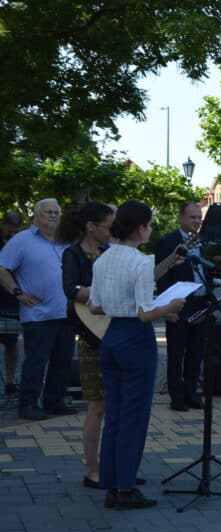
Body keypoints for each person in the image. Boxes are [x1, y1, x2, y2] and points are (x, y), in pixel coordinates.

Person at [90, 201, 185, 509]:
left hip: (111, 335)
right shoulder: (142, 262)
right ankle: (126, 488)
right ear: (141, 227)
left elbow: (95, 306)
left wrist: (135, 306)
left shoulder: (103, 259)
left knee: (115, 414)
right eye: (150, 225)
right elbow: (145, 313)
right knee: (135, 416)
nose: (151, 230)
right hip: (136, 339)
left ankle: (111, 484)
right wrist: (170, 307)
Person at [0, 199, 76, 421]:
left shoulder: (65, 240)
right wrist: (17, 292)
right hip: (38, 314)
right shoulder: (22, 240)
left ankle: (54, 401)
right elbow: (2, 268)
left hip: (66, 311)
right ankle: (28, 404)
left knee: (62, 361)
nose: (53, 216)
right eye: (48, 212)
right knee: (36, 362)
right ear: (36, 215)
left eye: (57, 212)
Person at [58, 202, 115, 488]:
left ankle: (117, 468)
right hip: (91, 335)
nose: (113, 231)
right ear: (91, 226)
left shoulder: (109, 252)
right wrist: (101, 294)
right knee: (98, 406)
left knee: (116, 406)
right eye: (109, 226)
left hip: (113, 333)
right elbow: (70, 289)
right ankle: (93, 471)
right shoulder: (73, 253)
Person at [155, 202, 207, 410]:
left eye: (199, 218)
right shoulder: (168, 242)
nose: (196, 221)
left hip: (201, 302)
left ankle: (191, 393)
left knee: (196, 351)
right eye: (193, 217)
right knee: (177, 352)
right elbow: (162, 276)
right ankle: (176, 397)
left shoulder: (204, 241)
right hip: (179, 303)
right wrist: (168, 307)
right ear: (181, 218)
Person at [0, 210, 23, 397]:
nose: (13, 232)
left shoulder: (19, 242)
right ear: (3, 224)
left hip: (11, 299)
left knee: (11, 341)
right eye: (10, 228)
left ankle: (10, 382)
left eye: (16, 229)